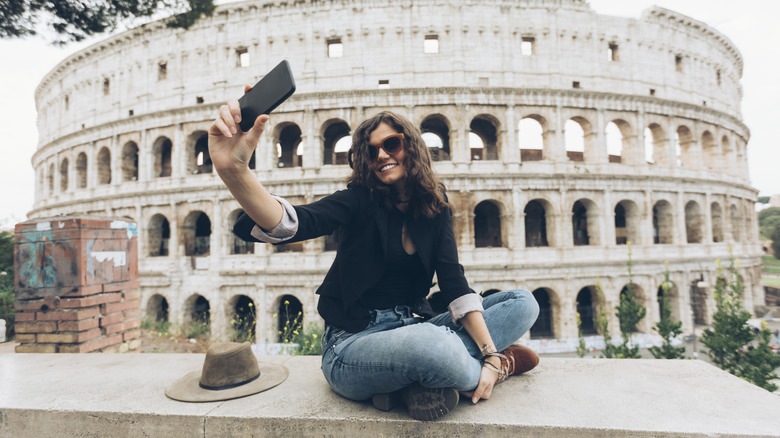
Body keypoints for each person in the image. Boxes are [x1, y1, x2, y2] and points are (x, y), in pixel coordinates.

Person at [209, 92, 540, 421]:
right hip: (352, 347)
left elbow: (455, 285)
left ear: (412, 146)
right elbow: (295, 222)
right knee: (431, 345)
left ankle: (416, 382)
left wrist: (489, 352)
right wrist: (235, 171)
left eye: (391, 144)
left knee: (523, 302)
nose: (381, 155)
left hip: (411, 326)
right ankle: (483, 373)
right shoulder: (358, 200)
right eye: (369, 151)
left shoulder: (435, 206)